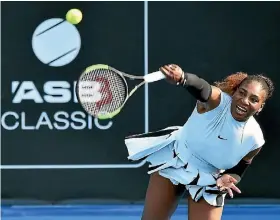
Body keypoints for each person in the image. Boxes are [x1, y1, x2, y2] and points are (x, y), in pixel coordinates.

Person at [124, 64, 275, 220]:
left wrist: (229, 176)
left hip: (210, 179)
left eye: (253, 99)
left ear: (260, 107)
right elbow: (202, 87)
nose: (244, 101)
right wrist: (183, 78)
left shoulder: (255, 139)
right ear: (235, 91)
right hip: (177, 157)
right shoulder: (216, 101)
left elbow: (241, 167)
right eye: (242, 93)